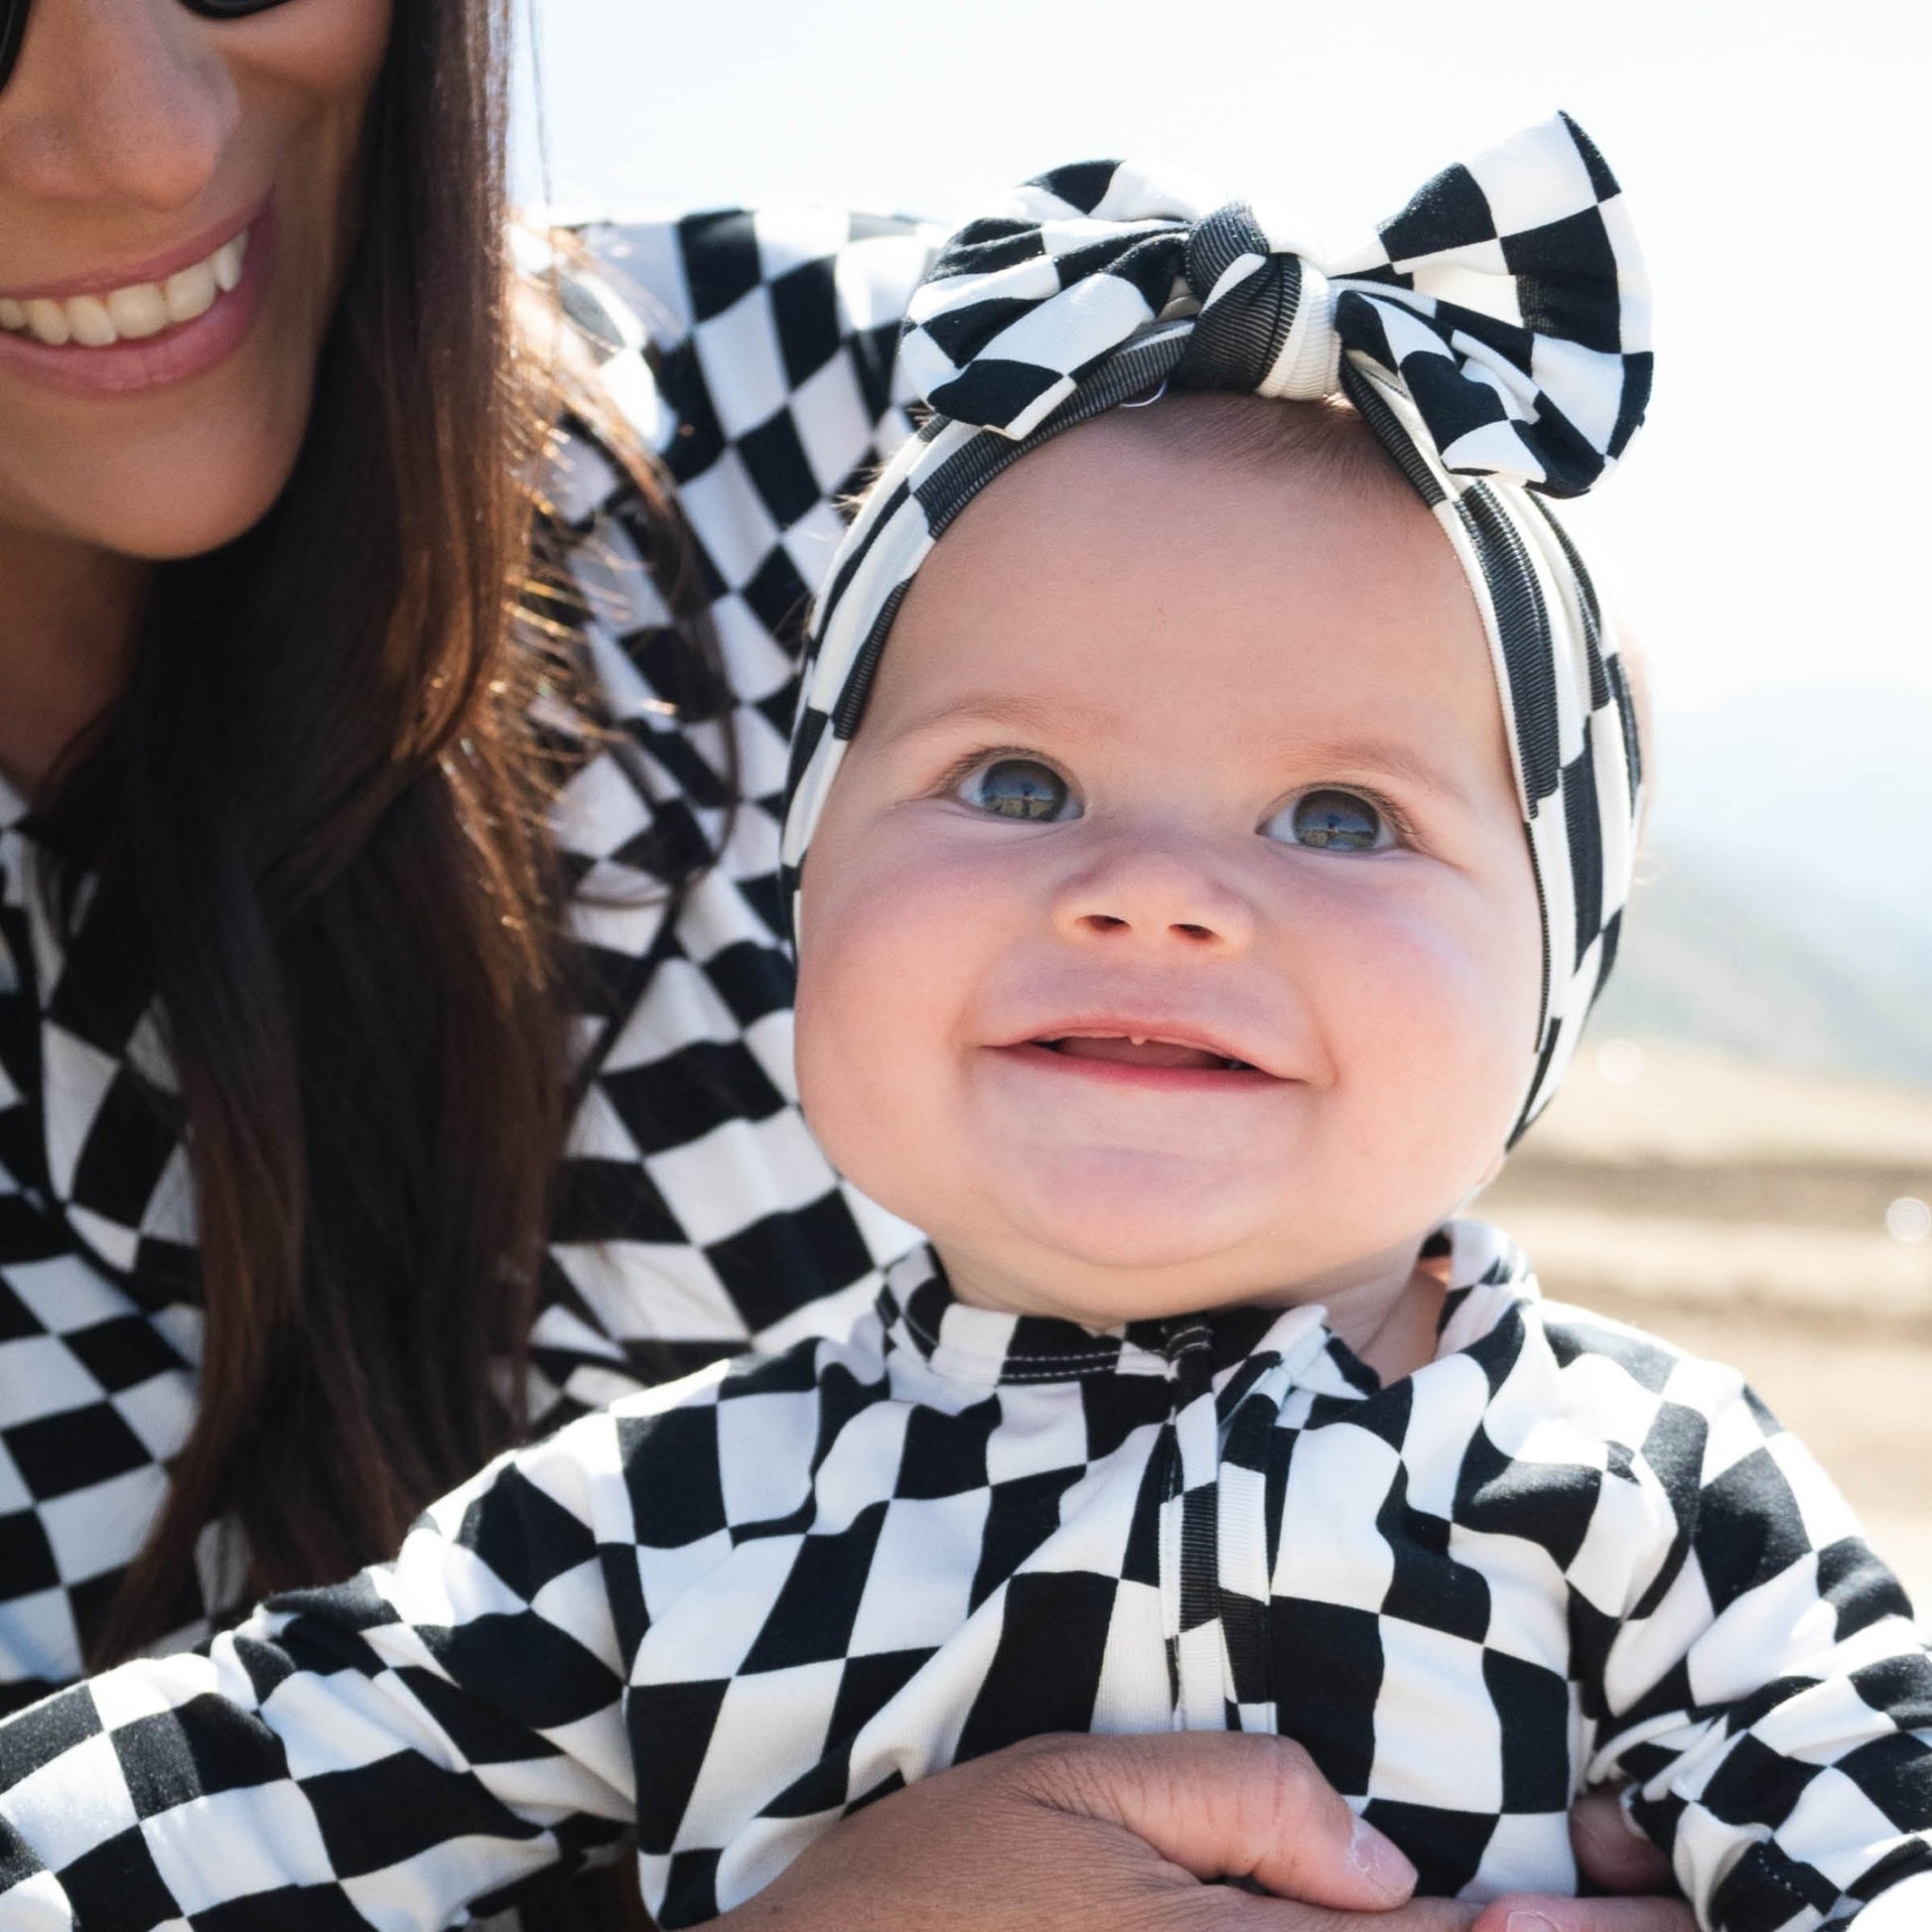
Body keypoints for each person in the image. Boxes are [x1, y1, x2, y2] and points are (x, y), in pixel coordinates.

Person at [1, 116, 1912, 1930]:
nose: (1151, 891)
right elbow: (167, 1827)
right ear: (810, 895)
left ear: (1551, 986)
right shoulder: (682, 1515)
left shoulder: (1635, 1492)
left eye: (1340, 818)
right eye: (1013, 781)